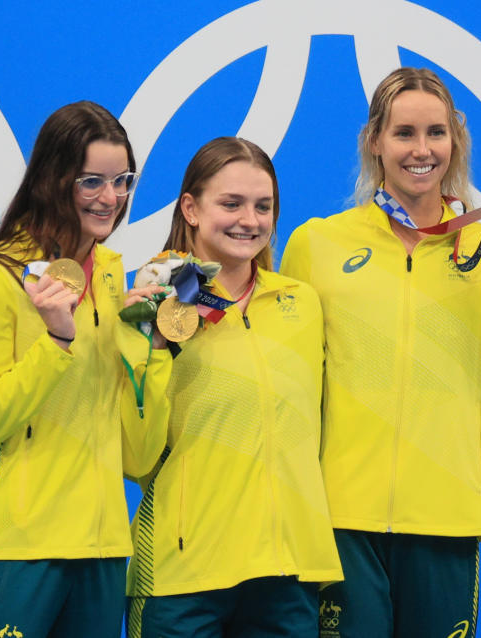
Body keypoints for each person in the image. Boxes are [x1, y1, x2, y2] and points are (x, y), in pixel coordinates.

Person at [280, 67, 481, 638]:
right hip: (341, 520)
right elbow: (292, 390)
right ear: (374, 140)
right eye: (404, 133)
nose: (421, 150)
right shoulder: (316, 245)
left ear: (456, 142)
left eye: (436, 133)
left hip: (446, 517)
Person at [0, 101, 172, 638]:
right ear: (53, 179)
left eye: (122, 181)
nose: (110, 198)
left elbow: (136, 455)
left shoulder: (115, 280)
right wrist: (54, 339)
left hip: (104, 552)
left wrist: (150, 351)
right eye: (91, 181)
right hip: (14, 550)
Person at [125, 137, 342, 638]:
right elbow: (134, 455)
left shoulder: (301, 303)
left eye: (263, 206)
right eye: (231, 203)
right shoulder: (150, 300)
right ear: (190, 208)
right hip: (184, 574)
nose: (250, 219)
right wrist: (154, 344)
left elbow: (337, 418)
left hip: (288, 571)